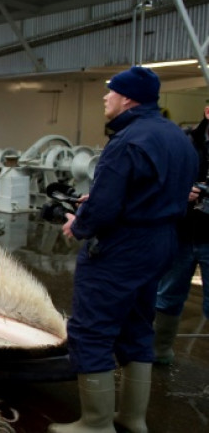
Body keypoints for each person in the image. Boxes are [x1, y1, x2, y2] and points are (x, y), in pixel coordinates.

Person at [54, 67, 197, 433]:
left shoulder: (127, 141)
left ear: (128, 98)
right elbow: (165, 190)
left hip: (122, 246)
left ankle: (96, 423)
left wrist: (79, 223)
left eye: (111, 92)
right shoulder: (178, 137)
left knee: (92, 329)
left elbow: (103, 210)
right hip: (162, 240)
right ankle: (132, 418)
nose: (105, 97)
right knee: (136, 326)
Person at [154, 102, 209, 365]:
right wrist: (181, 190)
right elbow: (160, 177)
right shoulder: (184, 140)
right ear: (207, 111)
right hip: (183, 232)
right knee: (168, 294)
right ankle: (159, 352)